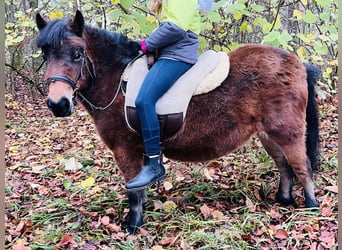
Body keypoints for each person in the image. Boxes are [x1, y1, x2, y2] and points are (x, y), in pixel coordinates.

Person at [125, 0, 214, 190]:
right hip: (169, 53)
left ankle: (153, 164)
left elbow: (175, 28)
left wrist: (145, 44)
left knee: (143, 100)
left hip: (177, 56)